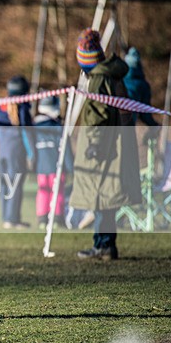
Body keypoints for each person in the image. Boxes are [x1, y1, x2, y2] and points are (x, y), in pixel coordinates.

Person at [70, 28, 141, 260]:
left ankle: (103, 244)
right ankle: (104, 243)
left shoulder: (100, 79)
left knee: (101, 195)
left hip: (107, 146)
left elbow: (98, 117)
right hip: (116, 142)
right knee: (105, 197)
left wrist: (95, 146)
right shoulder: (111, 75)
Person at [0, 76, 35, 229]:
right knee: (15, 184)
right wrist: (33, 154)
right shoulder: (22, 108)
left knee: (6, 184)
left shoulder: (2, 106)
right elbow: (27, 132)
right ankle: (12, 219)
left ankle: (8, 217)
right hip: (16, 152)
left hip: (3, 151)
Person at [33, 95, 71, 229]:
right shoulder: (57, 127)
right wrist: (70, 166)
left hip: (41, 167)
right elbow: (65, 147)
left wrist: (33, 162)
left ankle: (42, 218)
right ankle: (56, 218)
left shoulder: (35, 126)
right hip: (57, 166)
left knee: (43, 191)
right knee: (57, 191)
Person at [123, 46, 160, 138]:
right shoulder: (142, 85)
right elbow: (145, 112)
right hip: (129, 126)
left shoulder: (117, 80)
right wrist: (153, 125)